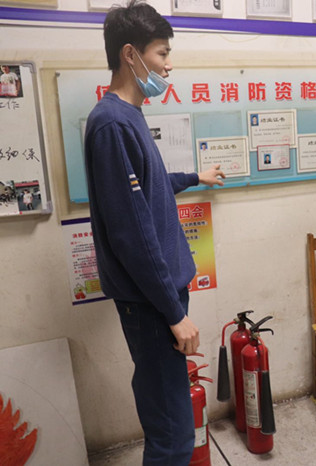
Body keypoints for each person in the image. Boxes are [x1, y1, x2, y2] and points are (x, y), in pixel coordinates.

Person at [83, 2, 225, 464]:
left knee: (171, 420)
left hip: (159, 297)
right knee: (173, 437)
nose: (168, 65)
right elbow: (132, 233)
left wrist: (195, 177)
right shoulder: (111, 123)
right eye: (162, 53)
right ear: (131, 54)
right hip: (151, 304)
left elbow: (150, 185)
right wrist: (173, 312)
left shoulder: (129, 114)